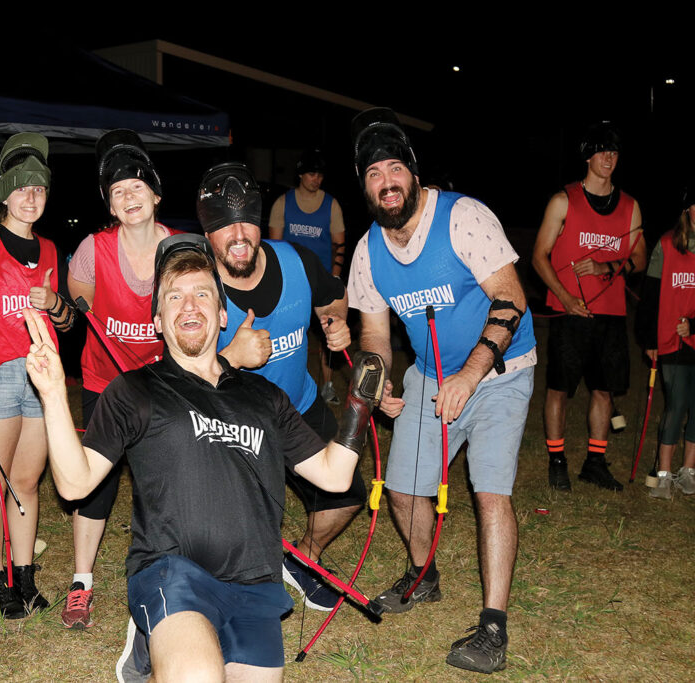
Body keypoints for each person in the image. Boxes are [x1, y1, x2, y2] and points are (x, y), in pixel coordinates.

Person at [23, 234, 374, 682]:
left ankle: (151, 656)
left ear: (223, 314)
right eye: (174, 296)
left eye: (202, 293)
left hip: (256, 586)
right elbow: (75, 483)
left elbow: (334, 475)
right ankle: (160, 634)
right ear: (158, 321)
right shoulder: (135, 391)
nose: (189, 305)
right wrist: (53, 393)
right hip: (172, 574)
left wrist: (358, 409)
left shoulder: (265, 397)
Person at [347, 107, 536, 674]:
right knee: (402, 489)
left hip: (501, 370)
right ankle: (423, 574)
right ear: (365, 186)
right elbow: (375, 336)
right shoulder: (368, 252)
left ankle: (493, 628)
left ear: (413, 172)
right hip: (429, 377)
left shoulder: (463, 218)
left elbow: (512, 299)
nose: (387, 183)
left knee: (489, 492)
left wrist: (471, 375)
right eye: (374, 174)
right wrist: (374, 386)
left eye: (394, 169)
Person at [196, 162, 367, 613]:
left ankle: (302, 558)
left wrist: (336, 325)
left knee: (349, 493)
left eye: (246, 221)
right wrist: (232, 356)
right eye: (223, 226)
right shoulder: (195, 286)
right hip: (232, 424)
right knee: (229, 529)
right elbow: (180, 378)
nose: (239, 235)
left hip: (298, 408)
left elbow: (333, 299)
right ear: (206, 234)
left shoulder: (295, 259)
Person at [0, 133, 75, 617]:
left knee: (26, 481)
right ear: (3, 192)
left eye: (40, 189)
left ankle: (23, 578)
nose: (31, 197)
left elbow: (66, 321)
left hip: (40, 377)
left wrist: (54, 303)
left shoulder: (49, 250)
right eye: (22, 188)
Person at [62, 129, 177, 629]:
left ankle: (171, 571)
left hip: (162, 383)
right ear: (110, 204)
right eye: (117, 191)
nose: (128, 198)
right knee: (96, 484)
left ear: (155, 194)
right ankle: (81, 583)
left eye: (136, 187)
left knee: (167, 480)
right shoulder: (93, 247)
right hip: (104, 382)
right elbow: (77, 294)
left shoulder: (178, 247)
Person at [532, 122, 647, 491]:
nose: (609, 158)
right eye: (601, 151)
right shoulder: (563, 200)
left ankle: (595, 462)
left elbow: (640, 259)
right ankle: (557, 459)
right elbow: (539, 256)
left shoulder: (630, 206)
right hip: (569, 313)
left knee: (603, 390)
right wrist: (565, 299)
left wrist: (607, 267)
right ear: (588, 156)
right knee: (560, 390)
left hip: (611, 315)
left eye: (614, 151)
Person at [269, 149, 347, 403]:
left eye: (320, 175)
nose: (317, 179)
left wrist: (335, 277)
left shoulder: (331, 204)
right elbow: (274, 247)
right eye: (313, 174)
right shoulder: (283, 203)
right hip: (292, 282)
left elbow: (339, 245)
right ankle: (284, 388)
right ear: (301, 174)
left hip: (321, 282)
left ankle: (328, 387)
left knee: (330, 333)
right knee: (287, 337)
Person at [637, 185, 695, 499]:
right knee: (676, 404)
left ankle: (689, 472)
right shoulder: (667, 244)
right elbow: (649, 296)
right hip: (670, 338)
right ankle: (662, 475)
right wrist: (648, 337)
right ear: (688, 209)